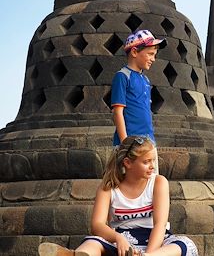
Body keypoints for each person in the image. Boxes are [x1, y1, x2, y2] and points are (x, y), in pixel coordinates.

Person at [38, 136, 198, 256]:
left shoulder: (158, 182)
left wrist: (148, 253)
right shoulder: (108, 187)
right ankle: (74, 255)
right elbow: (97, 225)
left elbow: (160, 225)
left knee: (184, 244)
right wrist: (118, 238)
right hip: (121, 240)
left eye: (153, 161)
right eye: (146, 162)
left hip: (154, 240)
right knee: (93, 242)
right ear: (128, 163)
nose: (152, 166)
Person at [111, 29, 167, 172]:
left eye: (154, 55)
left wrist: (151, 143)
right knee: (125, 185)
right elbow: (118, 112)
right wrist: (125, 144)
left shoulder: (145, 80)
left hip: (149, 142)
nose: (153, 59)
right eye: (150, 54)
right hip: (129, 142)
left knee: (150, 184)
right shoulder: (122, 76)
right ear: (135, 52)